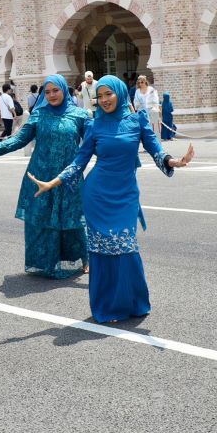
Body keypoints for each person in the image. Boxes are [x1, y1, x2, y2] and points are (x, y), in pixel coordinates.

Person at [28, 76, 195, 323]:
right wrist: (53, 182)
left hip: (126, 195)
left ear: (120, 93)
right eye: (100, 96)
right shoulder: (95, 125)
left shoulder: (137, 120)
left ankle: (134, 303)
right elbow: (79, 161)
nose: (104, 100)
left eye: (109, 94)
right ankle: (108, 306)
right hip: (97, 195)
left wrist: (175, 161)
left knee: (125, 247)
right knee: (102, 250)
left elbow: (155, 149)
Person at [0, 74, 92, 279]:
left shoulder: (80, 115)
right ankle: (46, 261)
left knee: (73, 217)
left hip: (68, 178)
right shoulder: (39, 114)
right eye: (47, 92)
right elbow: (20, 140)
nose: (51, 95)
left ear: (64, 90)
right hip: (40, 175)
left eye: (55, 90)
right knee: (42, 218)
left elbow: (93, 144)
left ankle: (84, 258)